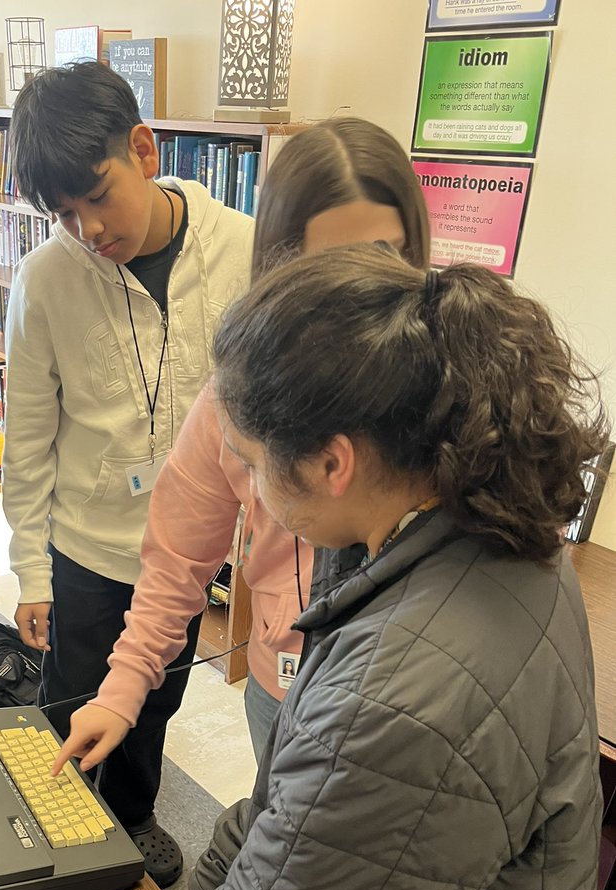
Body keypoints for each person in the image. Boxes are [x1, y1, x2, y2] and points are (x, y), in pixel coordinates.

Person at [128, 245, 606, 890]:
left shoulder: (403, 694)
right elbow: (297, 800)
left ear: (333, 462)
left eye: (253, 464)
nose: (247, 488)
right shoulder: (466, 524)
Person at [52, 117, 430, 769]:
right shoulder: (238, 398)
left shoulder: (451, 389)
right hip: (283, 684)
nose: (359, 293)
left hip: (413, 702)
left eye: (382, 258)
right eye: (324, 266)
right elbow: (178, 554)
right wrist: (122, 688)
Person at [3, 61, 253, 886]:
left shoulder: (243, 249)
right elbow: (28, 440)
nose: (88, 229)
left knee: (157, 696)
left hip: (188, 555)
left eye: (96, 196)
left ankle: (135, 814)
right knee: (72, 701)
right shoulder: (45, 280)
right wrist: (31, 572)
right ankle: (58, 835)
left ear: (143, 150)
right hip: (86, 549)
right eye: (63, 214)